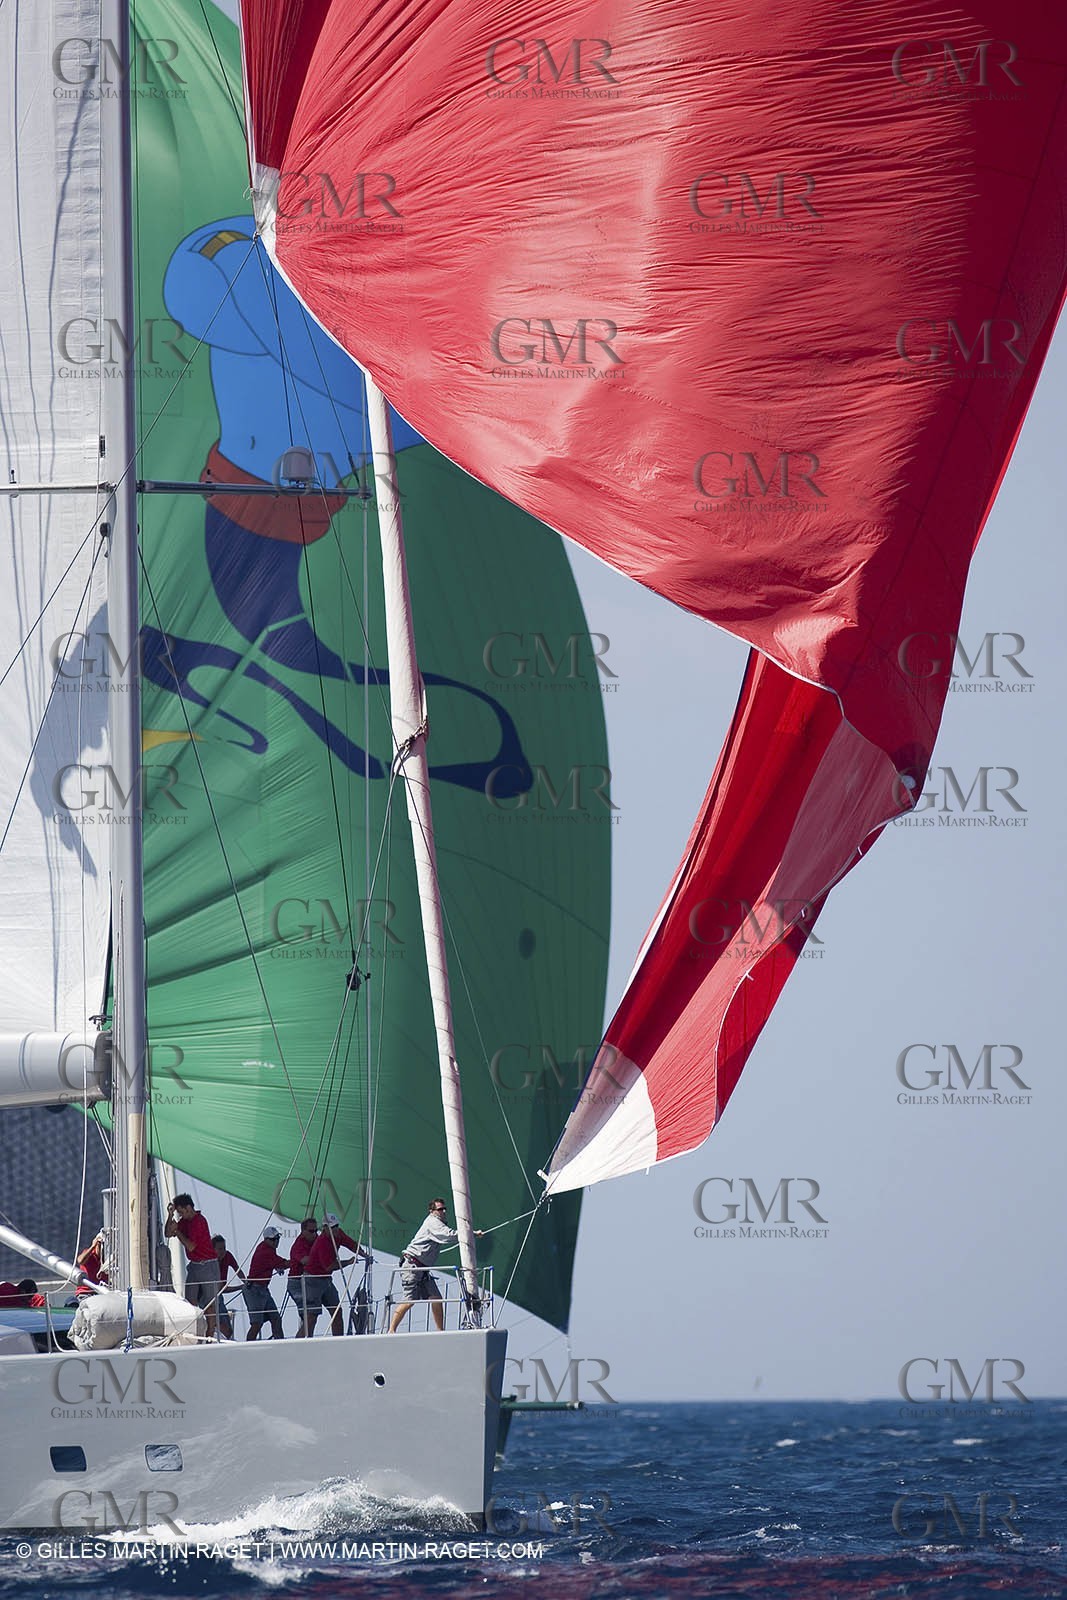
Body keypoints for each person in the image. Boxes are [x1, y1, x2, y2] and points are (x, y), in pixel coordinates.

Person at [390, 1199, 484, 1333]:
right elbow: (448, 1235)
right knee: (409, 1300)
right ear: (432, 1211)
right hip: (412, 1267)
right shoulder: (433, 1222)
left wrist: (471, 1234)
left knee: (436, 1299)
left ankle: (440, 1331)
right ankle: (391, 1330)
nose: (444, 1211)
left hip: (422, 1270)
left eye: (444, 1209)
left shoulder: (437, 1223)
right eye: (440, 1209)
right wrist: (472, 1234)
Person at [300, 1212, 369, 1338]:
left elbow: (351, 1244)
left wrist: (364, 1254)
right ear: (325, 1228)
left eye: (336, 1226)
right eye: (332, 1227)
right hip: (313, 1280)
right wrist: (348, 1262)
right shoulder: (322, 1242)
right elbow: (329, 1266)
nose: (335, 1229)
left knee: (337, 1311)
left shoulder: (338, 1234)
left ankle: (338, 1341)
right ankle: (300, 1343)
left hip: (326, 1279)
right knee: (312, 1317)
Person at [165, 1193, 220, 1338]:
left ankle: (210, 1335)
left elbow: (191, 1246)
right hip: (195, 1265)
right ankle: (195, 1330)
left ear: (188, 1208)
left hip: (208, 1266)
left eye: (181, 1212)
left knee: (209, 1303)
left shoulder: (199, 1221)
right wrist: (170, 1216)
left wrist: (178, 1232)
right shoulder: (185, 1221)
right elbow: (168, 1233)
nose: (180, 1215)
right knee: (190, 1301)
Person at [243, 1226, 287, 1341]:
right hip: (254, 1290)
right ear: (266, 1240)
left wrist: (277, 1266)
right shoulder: (265, 1251)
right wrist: (298, 1262)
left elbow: (273, 1262)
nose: (276, 1242)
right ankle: (248, 1347)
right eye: (273, 1239)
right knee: (257, 1324)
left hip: (263, 1289)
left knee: (275, 1318)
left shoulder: (268, 1249)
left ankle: (280, 1344)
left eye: (277, 1239)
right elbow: (282, 1263)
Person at [289, 1217, 318, 1337]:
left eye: (316, 1230)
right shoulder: (298, 1245)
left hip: (311, 1282)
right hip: (297, 1283)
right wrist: (322, 1258)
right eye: (311, 1231)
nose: (314, 1234)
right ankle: (299, 1342)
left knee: (312, 1316)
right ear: (303, 1231)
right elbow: (305, 1261)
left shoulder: (316, 1240)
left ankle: (308, 1340)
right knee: (310, 1316)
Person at [212, 1235, 244, 1339]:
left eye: (224, 1248)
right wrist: (240, 1287)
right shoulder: (210, 1262)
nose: (223, 1251)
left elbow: (237, 1269)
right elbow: (221, 1289)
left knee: (228, 1330)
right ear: (213, 1249)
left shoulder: (228, 1256)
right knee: (223, 1329)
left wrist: (246, 1282)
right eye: (220, 1249)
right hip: (209, 1299)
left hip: (219, 1297)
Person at [74, 1232, 109, 1298]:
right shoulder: (89, 1254)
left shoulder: (108, 1259)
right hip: (86, 1292)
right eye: (99, 1245)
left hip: (101, 1293)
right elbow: (80, 1260)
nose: (102, 1248)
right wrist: (92, 1246)